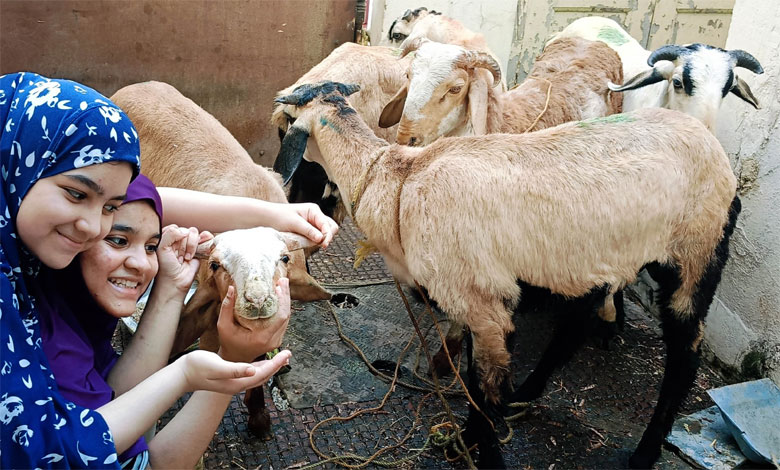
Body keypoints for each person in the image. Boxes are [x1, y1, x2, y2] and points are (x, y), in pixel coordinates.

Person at [0, 72, 288, 468]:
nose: (91, 226)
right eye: (76, 194)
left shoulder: (38, 265)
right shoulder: (31, 323)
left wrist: (281, 213)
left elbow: (147, 199)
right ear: (18, 170)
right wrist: (188, 372)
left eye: (151, 245)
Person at [38, 173, 294, 468]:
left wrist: (172, 286)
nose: (142, 264)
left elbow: (117, 398)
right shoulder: (50, 345)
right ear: (77, 235)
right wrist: (190, 371)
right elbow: (136, 463)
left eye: (151, 247)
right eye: (119, 240)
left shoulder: (74, 306)